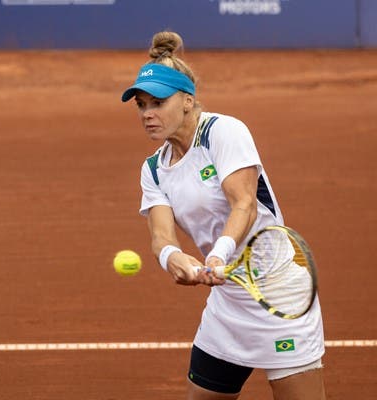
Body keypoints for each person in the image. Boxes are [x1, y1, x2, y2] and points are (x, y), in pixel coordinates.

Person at [121, 31, 326, 400]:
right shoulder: (153, 169)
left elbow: (243, 203)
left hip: (279, 293)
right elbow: (161, 235)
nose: (148, 114)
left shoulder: (223, 132)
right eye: (141, 105)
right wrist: (174, 259)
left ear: (187, 101)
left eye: (158, 103)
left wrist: (218, 254)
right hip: (230, 299)